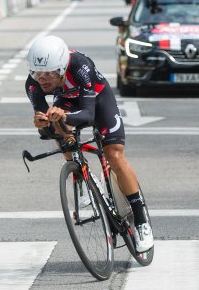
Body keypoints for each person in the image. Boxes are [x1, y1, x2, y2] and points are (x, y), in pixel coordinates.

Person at [25, 36, 154, 252]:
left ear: (63, 68)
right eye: (37, 73)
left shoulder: (80, 66)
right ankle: (80, 176)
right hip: (67, 101)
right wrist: (41, 123)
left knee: (114, 155)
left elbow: (87, 114)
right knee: (57, 127)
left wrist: (63, 115)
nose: (43, 79)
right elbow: (46, 131)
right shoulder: (33, 85)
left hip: (97, 100)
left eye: (49, 73)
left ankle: (141, 222)